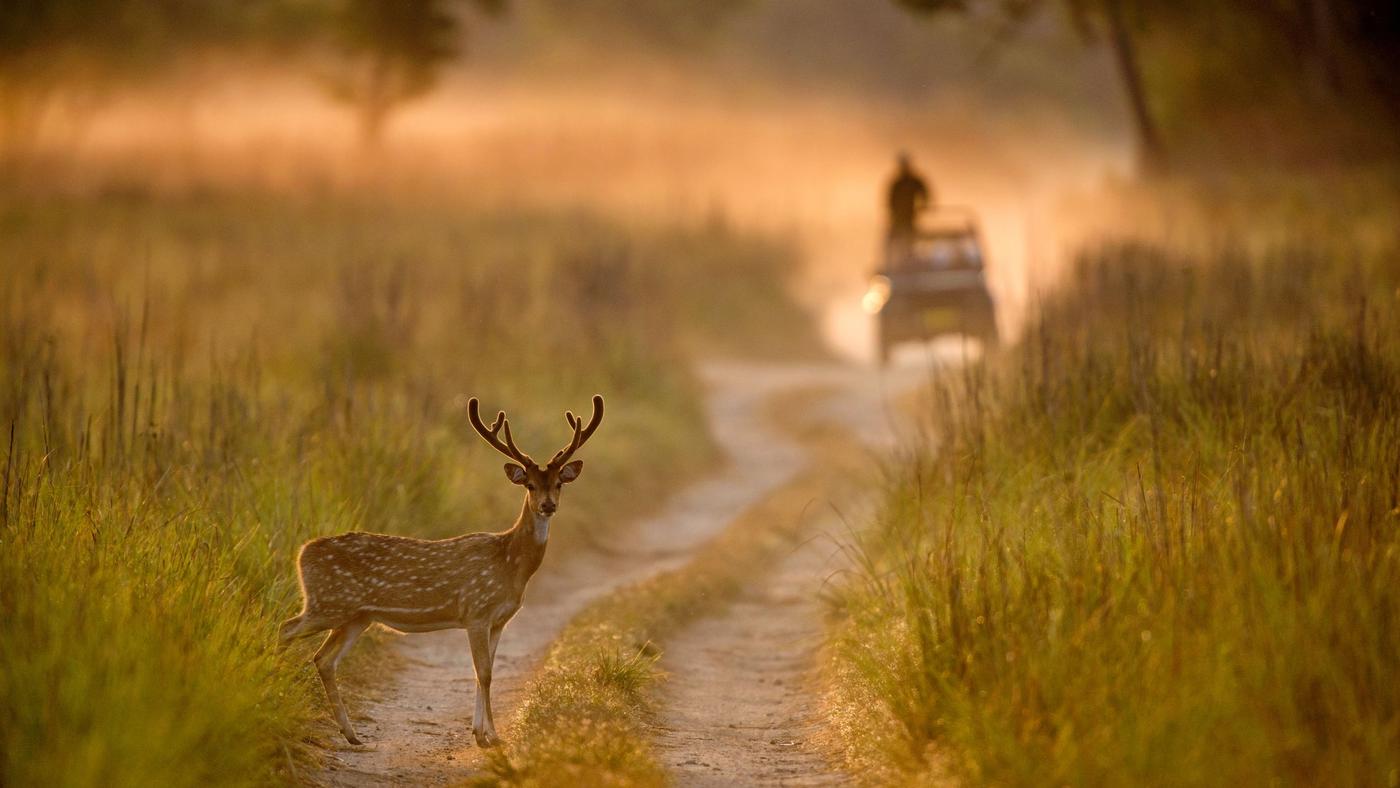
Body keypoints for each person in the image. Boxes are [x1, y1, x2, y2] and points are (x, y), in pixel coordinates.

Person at [886, 152, 932, 248]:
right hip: (899, 217)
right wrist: (893, 212)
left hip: (910, 214)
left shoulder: (914, 181)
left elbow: (925, 193)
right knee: (895, 236)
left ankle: (909, 252)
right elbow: (890, 200)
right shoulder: (897, 183)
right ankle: (898, 252)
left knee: (909, 235)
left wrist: (924, 205)